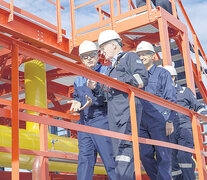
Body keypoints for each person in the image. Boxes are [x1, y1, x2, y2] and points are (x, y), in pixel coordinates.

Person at [90, 30, 148, 180]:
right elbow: (107, 95)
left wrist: (117, 80)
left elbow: (141, 79)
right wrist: (96, 87)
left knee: (125, 151)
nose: (102, 52)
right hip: (115, 115)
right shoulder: (110, 69)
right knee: (118, 154)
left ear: (114, 45)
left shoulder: (130, 57)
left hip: (127, 112)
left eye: (103, 48)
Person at [70, 40, 116, 180]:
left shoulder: (106, 72)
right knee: (84, 161)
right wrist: (77, 103)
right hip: (84, 122)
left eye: (91, 55)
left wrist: (95, 94)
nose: (88, 59)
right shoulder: (78, 79)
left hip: (102, 118)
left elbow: (112, 97)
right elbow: (77, 97)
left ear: (97, 55)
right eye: (85, 56)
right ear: (81, 59)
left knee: (110, 159)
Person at [136, 41, 177, 180]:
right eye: (139, 55)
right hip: (141, 121)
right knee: (144, 155)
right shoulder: (136, 76)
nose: (141, 57)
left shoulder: (162, 73)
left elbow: (171, 97)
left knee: (163, 155)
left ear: (153, 55)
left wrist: (170, 120)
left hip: (159, 120)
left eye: (144, 54)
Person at [164, 65, 207, 180]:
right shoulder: (161, 94)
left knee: (183, 156)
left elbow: (198, 106)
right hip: (169, 129)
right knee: (173, 160)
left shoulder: (185, 91)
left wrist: (203, 114)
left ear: (173, 77)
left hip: (185, 128)